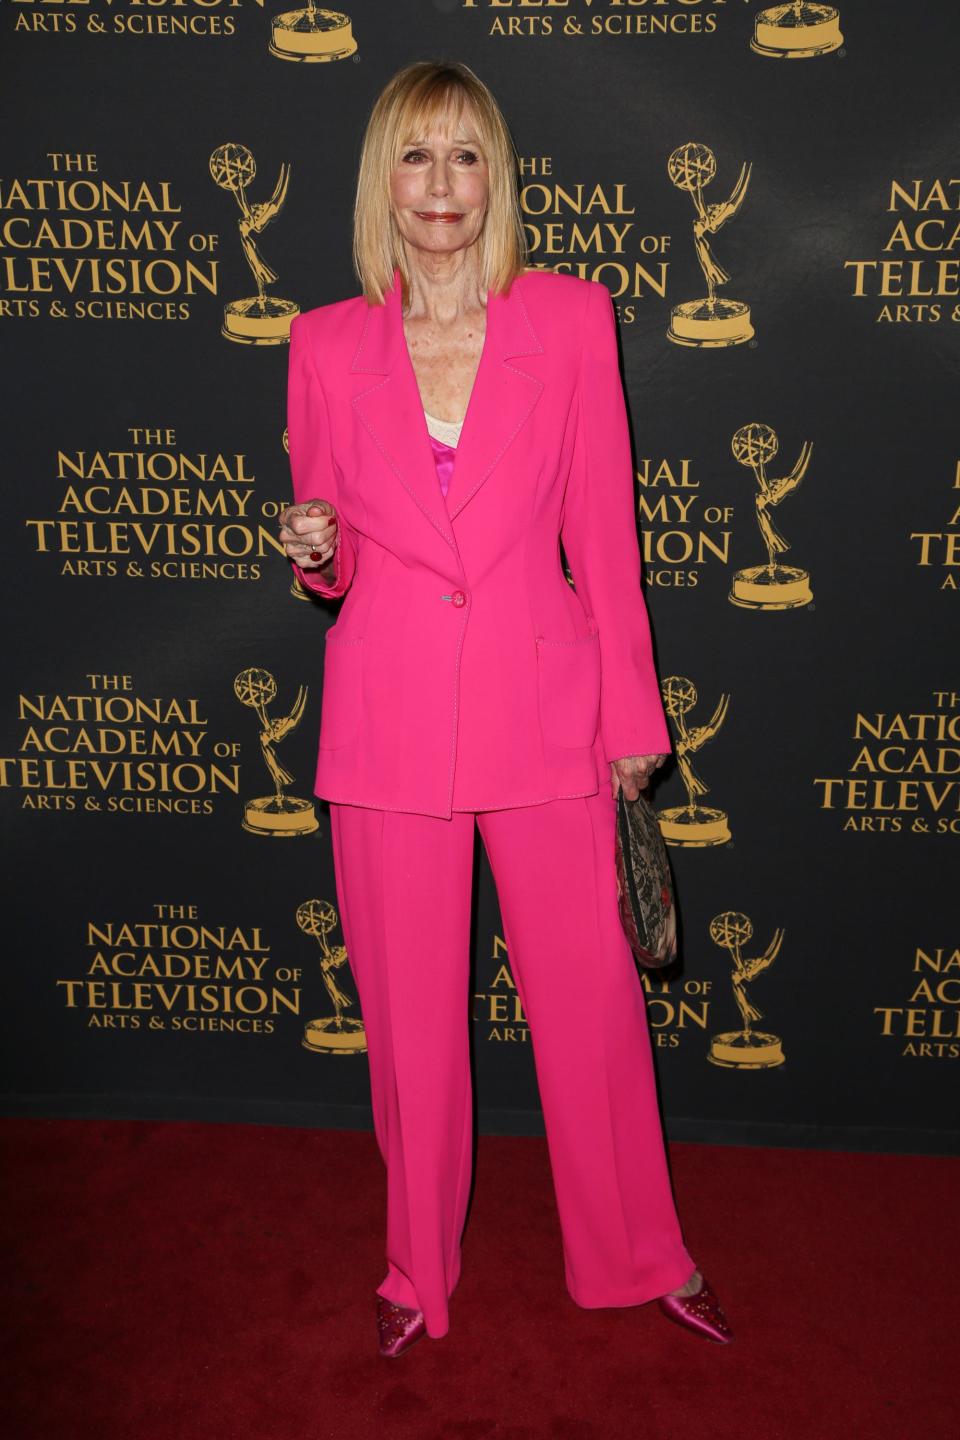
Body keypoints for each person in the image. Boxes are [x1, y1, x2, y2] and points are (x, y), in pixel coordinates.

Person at [279, 59, 732, 1358]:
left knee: (591, 1010)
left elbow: (608, 538)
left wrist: (633, 724)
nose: (441, 186)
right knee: (412, 1038)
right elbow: (337, 560)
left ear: (497, 177)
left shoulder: (573, 321)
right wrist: (315, 542)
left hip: (549, 715)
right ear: (384, 182)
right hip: (389, 724)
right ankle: (417, 1271)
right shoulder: (322, 342)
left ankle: (640, 1254)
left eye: (464, 156)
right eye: (416, 158)